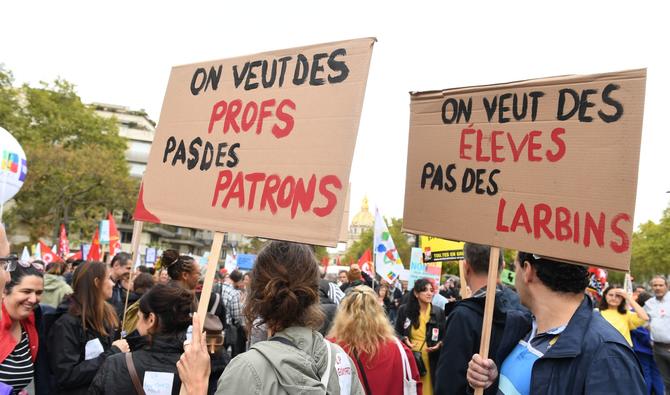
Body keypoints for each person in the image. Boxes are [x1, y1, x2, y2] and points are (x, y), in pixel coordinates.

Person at [179, 241, 365, 394]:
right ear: (314, 291)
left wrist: (196, 387)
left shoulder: (246, 370)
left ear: (256, 294)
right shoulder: (341, 361)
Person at [466, 252, 645, 394]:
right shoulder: (525, 328)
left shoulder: (608, 355)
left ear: (527, 270)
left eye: (515, 267)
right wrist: (490, 384)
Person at [434, 243, 529, 395]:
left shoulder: (462, 316)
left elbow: (448, 384)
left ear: (466, 267)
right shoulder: (524, 308)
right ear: (502, 266)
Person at [90, 284, 193, 394]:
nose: (137, 324)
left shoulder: (116, 364)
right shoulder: (194, 369)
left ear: (151, 320)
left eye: (138, 317)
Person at [48, 261, 129, 395]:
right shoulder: (66, 323)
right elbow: (67, 375)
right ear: (97, 282)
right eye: (108, 278)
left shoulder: (108, 314)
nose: (113, 284)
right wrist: (112, 353)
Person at [329, 285, 422, 395]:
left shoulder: (331, 348)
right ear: (379, 312)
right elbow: (415, 386)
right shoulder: (399, 350)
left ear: (343, 313)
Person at [395, 278, 445, 395]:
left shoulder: (438, 312)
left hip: (430, 359)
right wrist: (404, 339)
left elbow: (445, 336)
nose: (429, 293)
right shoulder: (404, 310)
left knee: (428, 390)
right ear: (416, 293)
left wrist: (439, 344)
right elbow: (395, 332)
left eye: (431, 290)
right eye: (425, 290)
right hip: (411, 358)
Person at [0, 260, 43, 394]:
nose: (33, 299)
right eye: (26, 291)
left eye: (38, 292)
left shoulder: (30, 321)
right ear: (4, 291)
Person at [631, 292, 665, 395]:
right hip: (658, 347)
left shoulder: (633, 313)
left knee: (645, 374)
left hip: (642, 350)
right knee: (657, 374)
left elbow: (638, 331)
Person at [644, 275, 670, 392]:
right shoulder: (649, 303)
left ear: (667, 286)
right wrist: (652, 330)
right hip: (658, 348)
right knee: (666, 381)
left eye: (661, 285)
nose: (658, 288)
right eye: (655, 285)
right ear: (651, 287)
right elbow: (643, 320)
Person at [220, 269, 245, 357]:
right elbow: (237, 316)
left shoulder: (218, 286)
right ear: (238, 281)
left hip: (213, 327)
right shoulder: (234, 293)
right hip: (226, 328)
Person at [108, 252, 132, 317]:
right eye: (128, 268)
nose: (130, 272)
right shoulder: (102, 285)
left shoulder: (121, 285)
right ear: (116, 265)